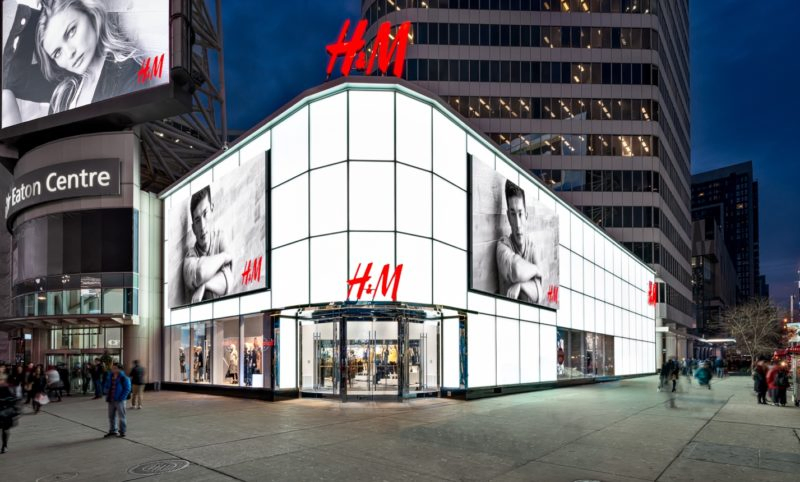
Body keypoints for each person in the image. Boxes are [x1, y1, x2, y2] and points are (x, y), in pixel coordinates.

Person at [2, 0, 161, 126]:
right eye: (57, 52)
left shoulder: (130, 73)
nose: (70, 52)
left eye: (71, 31)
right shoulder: (63, 91)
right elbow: (13, 80)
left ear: (90, 13)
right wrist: (30, 7)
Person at [182, 186, 233, 304]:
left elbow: (228, 280)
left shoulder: (220, 238)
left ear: (212, 209)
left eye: (205, 214)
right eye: (197, 220)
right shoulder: (190, 257)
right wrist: (224, 256)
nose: (202, 226)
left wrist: (205, 285)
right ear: (193, 228)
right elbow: (200, 273)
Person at [496, 180, 543, 303]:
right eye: (513, 214)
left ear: (526, 216)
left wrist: (521, 285)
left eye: (520, 214)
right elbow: (516, 270)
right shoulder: (502, 246)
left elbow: (539, 293)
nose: (517, 224)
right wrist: (537, 269)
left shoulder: (532, 247)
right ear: (508, 217)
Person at [102, 362, 131, 438]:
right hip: (111, 399)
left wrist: (122, 398)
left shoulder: (124, 378)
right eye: (112, 368)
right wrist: (105, 390)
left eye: (115, 368)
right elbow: (106, 385)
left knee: (121, 417)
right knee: (111, 416)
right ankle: (113, 431)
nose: (112, 369)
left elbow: (127, 389)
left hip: (120, 401)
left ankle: (122, 431)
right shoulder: (110, 376)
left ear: (120, 369)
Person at [0, 377, 21, 454]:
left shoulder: (6, 388)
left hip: (5, 412)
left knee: (5, 430)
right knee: (5, 429)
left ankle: (4, 445)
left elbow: (13, 399)